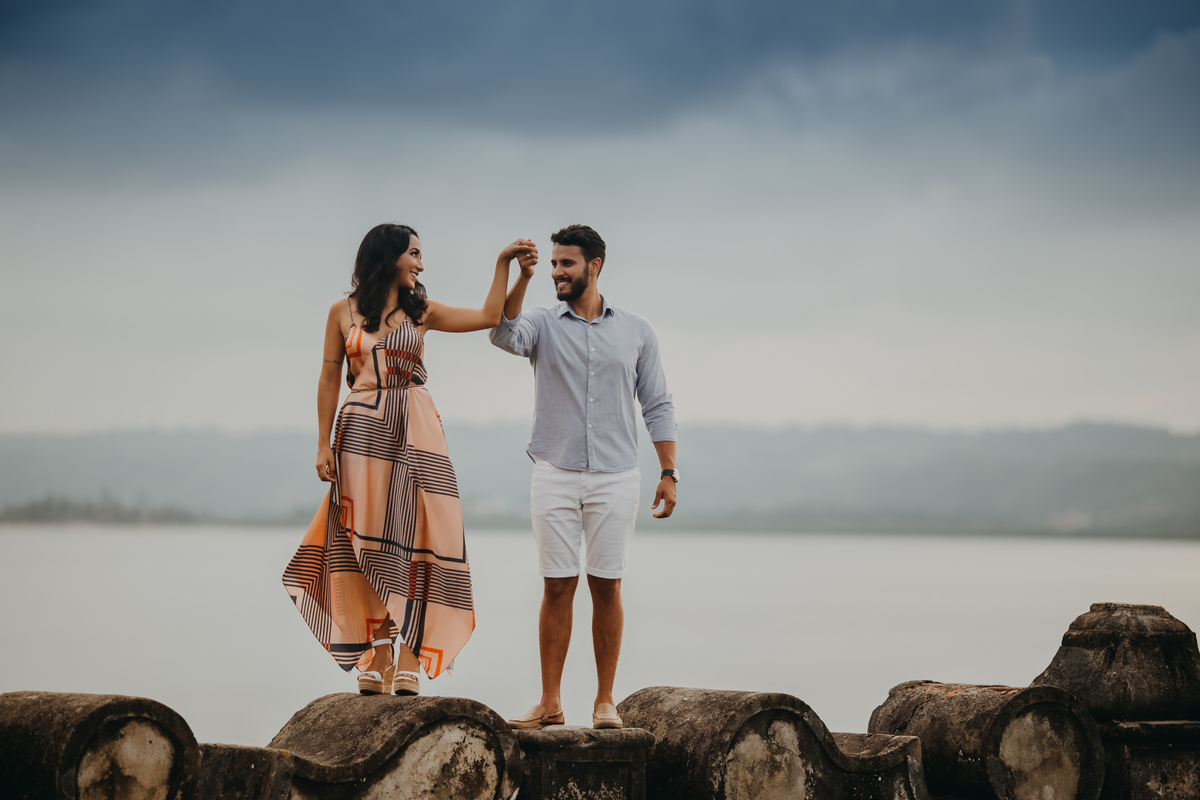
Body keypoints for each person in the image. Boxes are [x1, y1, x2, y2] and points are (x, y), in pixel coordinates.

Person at [283, 223, 537, 696]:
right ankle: (378, 650)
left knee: (420, 533)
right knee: (366, 539)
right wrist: (322, 444)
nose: (421, 263)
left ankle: (409, 653)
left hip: (417, 431)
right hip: (360, 434)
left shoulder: (421, 311)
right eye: (414, 254)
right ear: (389, 257)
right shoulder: (343, 312)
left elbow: (488, 315)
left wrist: (507, 268)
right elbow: (327, 379)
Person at [489, 224, 678, 729]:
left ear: (594, 266)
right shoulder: (542, 324)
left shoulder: (637, 331)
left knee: (607, 586)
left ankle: (604, 702)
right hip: (553, 471)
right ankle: (550, 702)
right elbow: (501, 332)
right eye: (553, 263)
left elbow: (657, 402)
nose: (557, 272)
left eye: (565, 264)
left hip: (617, 476)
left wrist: (669, 470)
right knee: (556, 586)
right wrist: (517, 273)